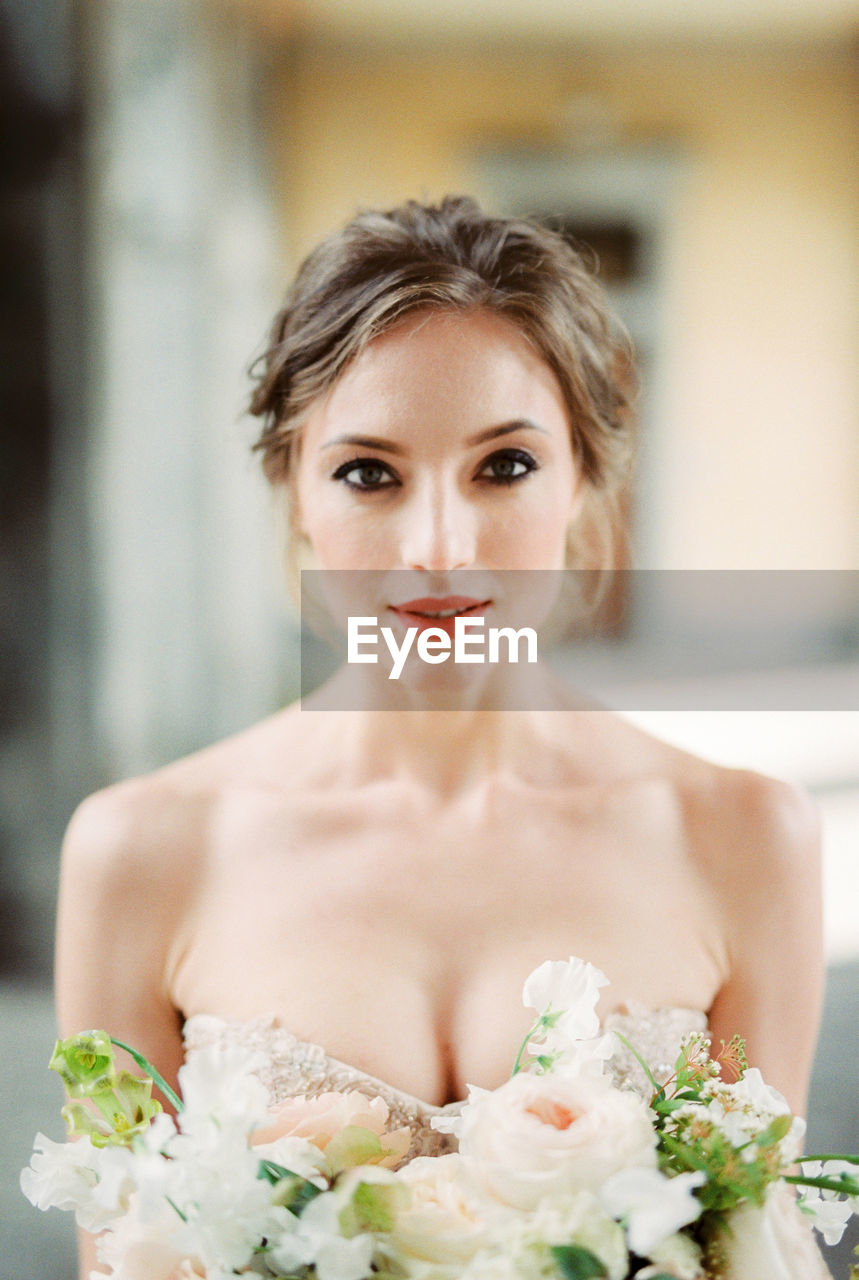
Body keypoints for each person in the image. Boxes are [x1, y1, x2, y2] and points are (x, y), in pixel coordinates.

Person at [55, 196, 827, 1277]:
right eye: (368, 472)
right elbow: (118, 1253)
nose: (439, 546)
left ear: (585, 478)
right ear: (294, 494)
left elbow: (759, 1247)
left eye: (502, 465)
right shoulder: (140, 849)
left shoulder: (745, 837)